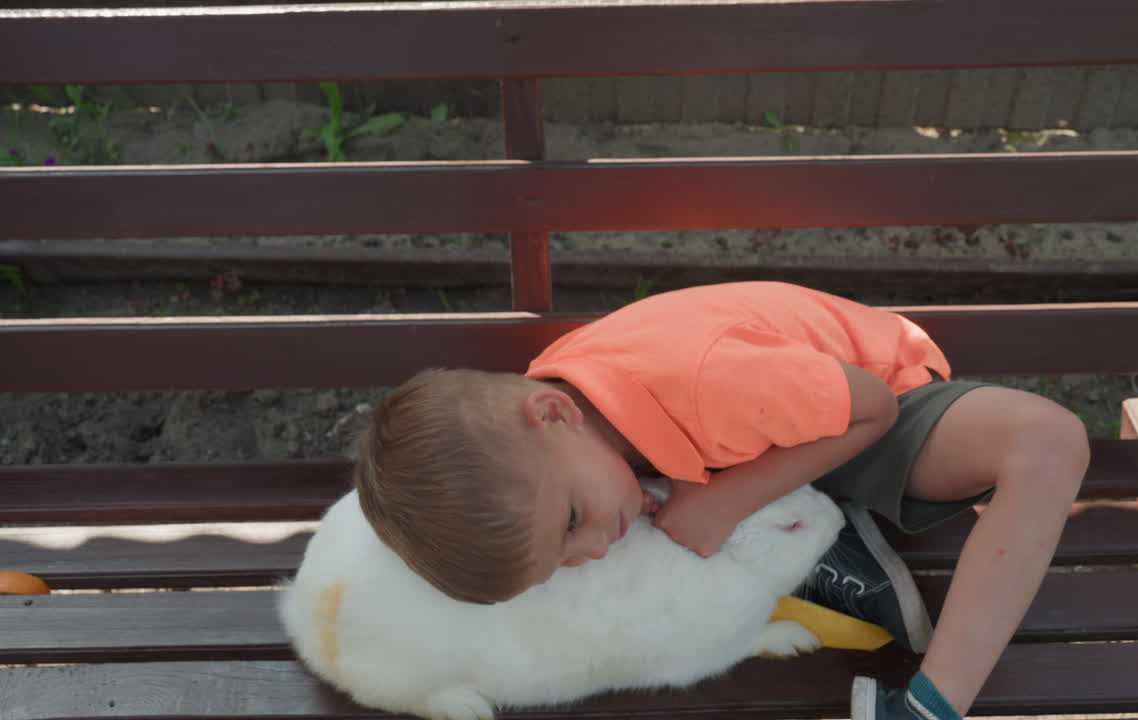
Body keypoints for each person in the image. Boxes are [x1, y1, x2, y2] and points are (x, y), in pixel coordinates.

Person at [354, 281, 1089, 720]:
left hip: (878, 400)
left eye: (573, 524)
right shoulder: (552, 448)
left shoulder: (702, 380)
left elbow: (870, 409)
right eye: (564, 559)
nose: (593, 548)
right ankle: (832, 532)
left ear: (554, 413)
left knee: (1049, 441)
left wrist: (723, 502)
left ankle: (930, 704)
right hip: (760, 439)